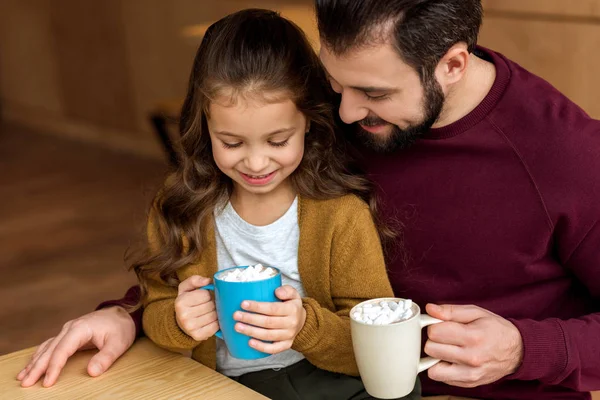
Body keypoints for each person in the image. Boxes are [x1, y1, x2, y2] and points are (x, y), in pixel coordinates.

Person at [19, 1, 600, 399]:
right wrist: (126, 314)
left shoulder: (568, 156)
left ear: (452, 62)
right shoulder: (318, 118)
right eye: (335, 84)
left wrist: (529, 348)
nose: (344, 114)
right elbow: (219, 235)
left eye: (371, 93)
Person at [20, 8, 414, 400]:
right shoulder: (183, 208)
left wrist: (303, 326)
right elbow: (156, 306)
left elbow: (372, 339)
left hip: (324, 380)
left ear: (309, 121)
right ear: (204, 125)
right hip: (221, 384)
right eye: (232, 142)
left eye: (278, 141)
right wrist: (177, 320)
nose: (256, 163)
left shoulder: (341, 215)